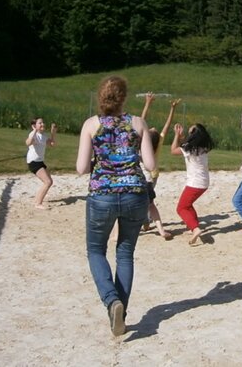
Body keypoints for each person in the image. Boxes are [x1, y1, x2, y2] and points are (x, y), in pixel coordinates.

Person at [76, 75, 155, 337]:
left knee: (96, 250)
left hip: (102, 194)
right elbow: (151, 165)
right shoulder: (137, 123)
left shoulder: (91, 124)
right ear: (123, 97)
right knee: (125, 253)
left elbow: (80, 168)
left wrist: (102, 159)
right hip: (135, 192)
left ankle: (112, 302)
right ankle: (119, 309)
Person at [139, 92, 181, 241]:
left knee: (143, 201)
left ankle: (145, 221)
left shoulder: (141, 144)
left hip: (143, 176)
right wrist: (172, 109)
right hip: (153, 176)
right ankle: (146, 222)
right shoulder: (158, 143)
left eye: (151, 129)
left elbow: (141, 121)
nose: (152, 127)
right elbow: (167, 125)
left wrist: (148, 103)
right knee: (148, 201)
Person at [170, 121, 215, 246]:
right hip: (204, 182)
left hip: (195, 183)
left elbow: (173, 150)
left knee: (181, 208)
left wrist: (176, 136)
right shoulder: (203, 147)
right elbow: (188, 144)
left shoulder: (189, 148)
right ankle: (194, 226)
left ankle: (195, 229)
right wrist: (182, 138)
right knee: (188, 205)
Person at [25, 117, 57, 209]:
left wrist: (52, 132)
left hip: (40, 161)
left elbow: (52, 144)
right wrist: (34, 131)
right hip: (33, 162)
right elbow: (28, 142)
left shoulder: (43, 136)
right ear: (34, 126)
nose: (42, 124)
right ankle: (38, 203)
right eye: (40, 123)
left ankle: (38, 198)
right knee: (48, 182)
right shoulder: (33, 134)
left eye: (43, 122)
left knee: (49, 182)